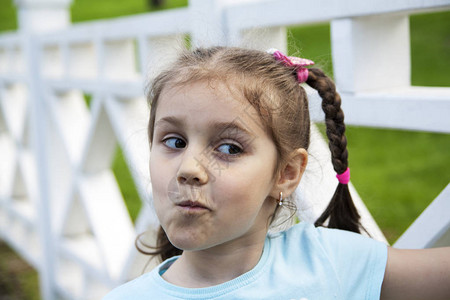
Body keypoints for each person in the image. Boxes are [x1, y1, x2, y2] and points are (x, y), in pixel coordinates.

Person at [104, 46, 450, 299]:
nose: (189, 169)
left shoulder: (327, 261)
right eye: (175, 141)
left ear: (285, 173)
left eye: (228, 148)